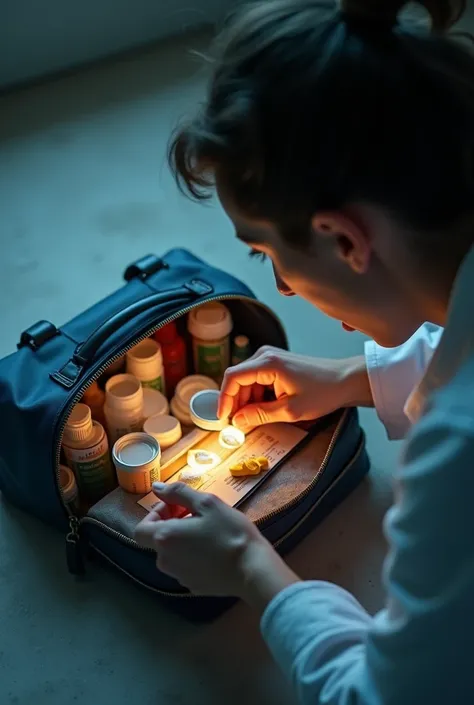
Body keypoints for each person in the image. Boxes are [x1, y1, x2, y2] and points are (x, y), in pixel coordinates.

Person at [135, 1, 474, 702]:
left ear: (344, 240)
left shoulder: (458, 457)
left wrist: (250, 567)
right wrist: (353, 378)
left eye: (267, 256)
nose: (284, 290)